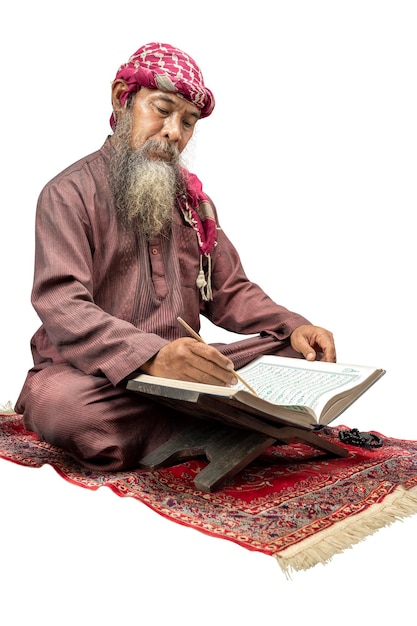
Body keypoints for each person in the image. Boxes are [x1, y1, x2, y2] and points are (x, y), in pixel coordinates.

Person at [15, 42, 336, 471]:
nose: (173, 132)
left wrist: (296, 326)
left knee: (300, 357)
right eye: (162, 110)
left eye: (187, 122)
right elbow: (62, 303)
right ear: (121, 99)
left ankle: (199, 420)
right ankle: (227, 423)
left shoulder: (193, 203)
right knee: (61, 406)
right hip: (97, 378)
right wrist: (152, 357)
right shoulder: (68, 193)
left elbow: (229, 290)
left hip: (184, 377)